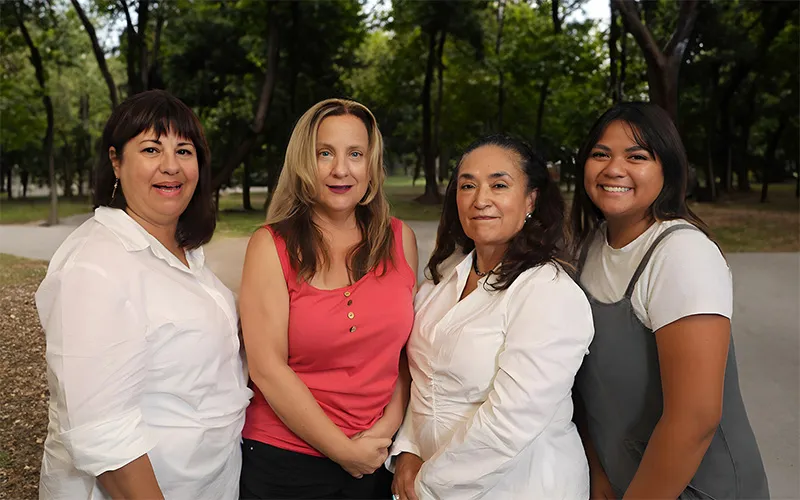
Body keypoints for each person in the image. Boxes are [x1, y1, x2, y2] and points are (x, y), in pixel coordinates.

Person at [35, 90, 252, 499]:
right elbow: (104, 436)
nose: (171, 166)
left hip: (208, 484)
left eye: (184, 151)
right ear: (116, 161)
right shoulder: (95, 266)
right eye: (152, 149)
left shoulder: (185, 253)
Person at [571, 102, 769, 499]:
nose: (614, 169)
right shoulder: (590, 245)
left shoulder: (682, 254)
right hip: (622, 478)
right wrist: (597, 470)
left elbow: (695, 419)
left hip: (698, 487)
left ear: (669, 170)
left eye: (637, 157)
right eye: (600, 154)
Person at [389, 135, 594, 500]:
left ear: (531, 200)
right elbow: (424, 381)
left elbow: (509, 425)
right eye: (468, 185)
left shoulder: (549, 292)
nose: (480, 199)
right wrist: (407, 449)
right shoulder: (443, 278)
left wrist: (425, 486)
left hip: (519, 487)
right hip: (426, 474)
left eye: (499, 185)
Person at [238, 98, 418, 499]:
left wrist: (385, 432)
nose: (341, 169)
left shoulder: (399, 239)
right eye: (325, 153)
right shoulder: (270, 246)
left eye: (355, 154)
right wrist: (344, 452)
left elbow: (406, 357)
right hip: (285, 462)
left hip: (375, 455)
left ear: (371, 164)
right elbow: (267, 369)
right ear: (304, 161)